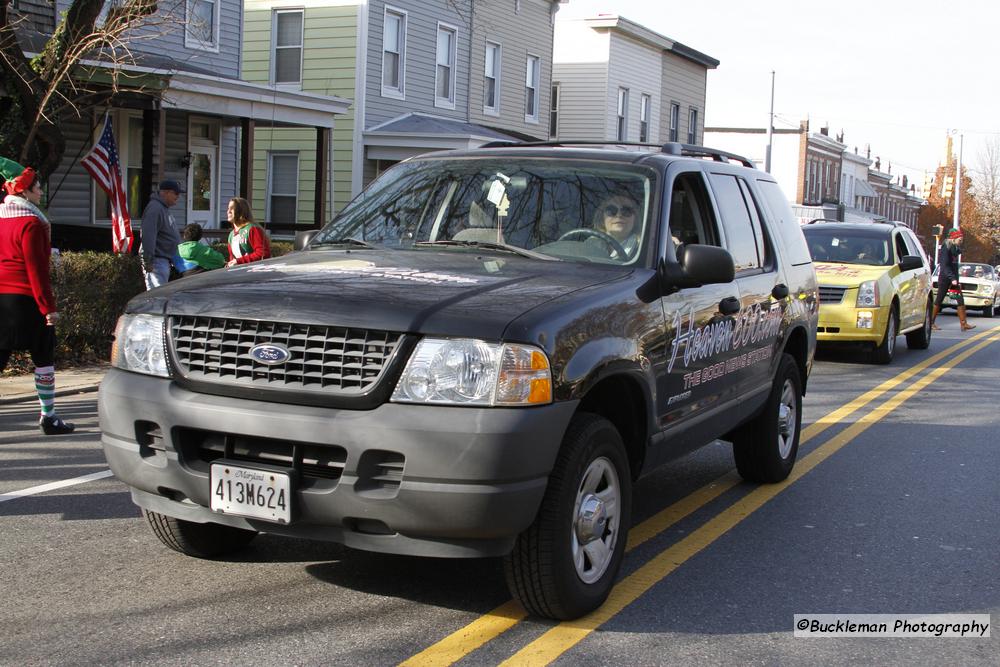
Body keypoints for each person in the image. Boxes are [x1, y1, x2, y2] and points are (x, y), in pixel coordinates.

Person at [0, 157, 75, 435]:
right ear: (23, 191)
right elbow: (37, 271)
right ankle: (49, 416)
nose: (41, 192)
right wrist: (49, 308)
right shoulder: (30, 223)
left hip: (1, 298)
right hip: (25, 300)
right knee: (43, 357)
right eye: (37, 188)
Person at [140, 180, 184, 289]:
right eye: (176, 193)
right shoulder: (155, 209)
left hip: (163, 260)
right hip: (156, 261)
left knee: (161, 296)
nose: (178, 196)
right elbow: (148, 235)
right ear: (166, 192)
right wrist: (148, 260)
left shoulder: (163, 208)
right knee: (157, 297)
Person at [931, 228, 975, 332]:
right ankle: (930, 323)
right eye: (960, 240)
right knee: (939, 300)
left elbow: (957, 252)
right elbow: (944, 265)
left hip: (953, 279)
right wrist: (953, 278)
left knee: (960, 300)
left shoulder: (953, 247)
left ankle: (964, 324)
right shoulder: (946, 248)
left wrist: (958, 247)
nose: (961, 242)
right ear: (953, 238)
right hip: (946, 278)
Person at [592, 192, 640, 260]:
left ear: (635, 220)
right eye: (611, 210)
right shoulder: (588, 246)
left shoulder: (645, 252)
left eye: (626, 210)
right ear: (602, 219)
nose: (619, 215)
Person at [225, 197, 271, 267]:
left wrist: (239, 261)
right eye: (228, 208)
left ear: (241, 211)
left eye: (232, 208)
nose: (228, 211)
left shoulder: (252, 229)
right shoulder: (231, 235)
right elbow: (233, 258)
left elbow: (263, 253)